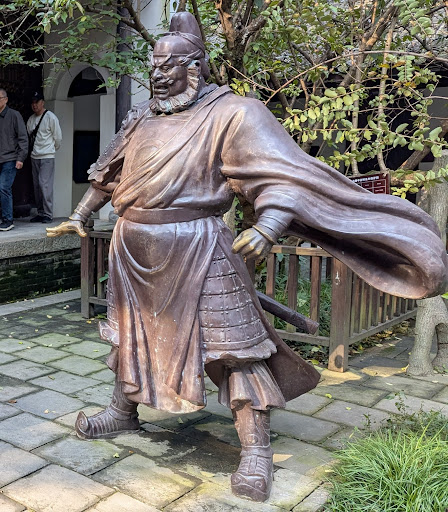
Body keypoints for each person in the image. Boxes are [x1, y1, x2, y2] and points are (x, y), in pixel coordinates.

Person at [47, 13, 448, 502]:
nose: (157, 73)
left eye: (168, 65)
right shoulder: (141, 117)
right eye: (153, 64)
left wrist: (267, 227)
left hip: (199, 246)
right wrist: (81, 214)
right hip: (132, 246)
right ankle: (123, 411)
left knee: (235, 347)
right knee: (128, 334)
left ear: (195, 66)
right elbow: (108, 174)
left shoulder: (235, 113)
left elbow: (280, 177)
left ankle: (256, 449)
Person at [27, 91, 62, 223]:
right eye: (33, 103)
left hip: (47, 156)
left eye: (37, 102)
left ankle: (48, 213)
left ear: (42, 102)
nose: (34, 105)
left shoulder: (51, 117)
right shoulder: (31, 119)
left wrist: (51, 150)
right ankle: (40, 212)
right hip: (34, 156)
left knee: (44, 184)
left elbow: (58, 137)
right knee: (37, 185)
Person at [0, 88, 28, 231]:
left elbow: (23, 138)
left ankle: (8, 220)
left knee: (4, 187)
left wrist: (20, 158)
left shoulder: (14, 115)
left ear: (5, 100)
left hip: (10, 158)